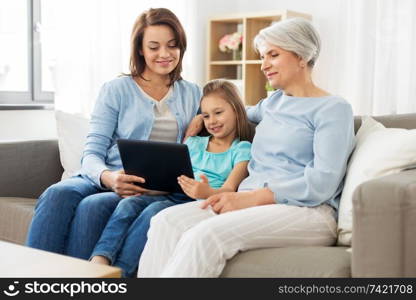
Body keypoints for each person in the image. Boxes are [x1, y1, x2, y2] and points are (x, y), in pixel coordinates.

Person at [137, 17, 356, 277]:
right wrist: (200, 116)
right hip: (252, 201)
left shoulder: (333, 109)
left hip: (308, 210)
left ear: (301, 56)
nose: (264, 65)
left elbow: (323, 182)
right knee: (165, 221)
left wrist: (252, 197)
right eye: (263, 56)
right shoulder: (274, 102)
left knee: (207, 236)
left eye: (273, 55)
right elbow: (237, 112)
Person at [26, 8, 201, 259]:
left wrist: (202, 116)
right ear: (140, 49)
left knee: (93, 206)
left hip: (150, 189)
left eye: (172, 46)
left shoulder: (192, 93)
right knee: (57, 193)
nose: (164, 54)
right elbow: (92, 152)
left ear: (181, 48)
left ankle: (85, 282)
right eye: (154, 47)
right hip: (105, 176)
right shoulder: (116, 89)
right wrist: (108, 177)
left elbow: (230, 112)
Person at [88, 79, 253, 277]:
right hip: (173, 193)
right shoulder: (195, 142)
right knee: (128, 204)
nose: (212, 121)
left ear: (236, 110)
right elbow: (173, 176)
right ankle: (101, 258)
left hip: (200, 200)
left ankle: (120, 273)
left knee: (153, 212)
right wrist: (147, 187)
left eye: (218, 113)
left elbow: (230, 190)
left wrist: (206, 191)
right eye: (206, 115)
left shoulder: (242, 149)